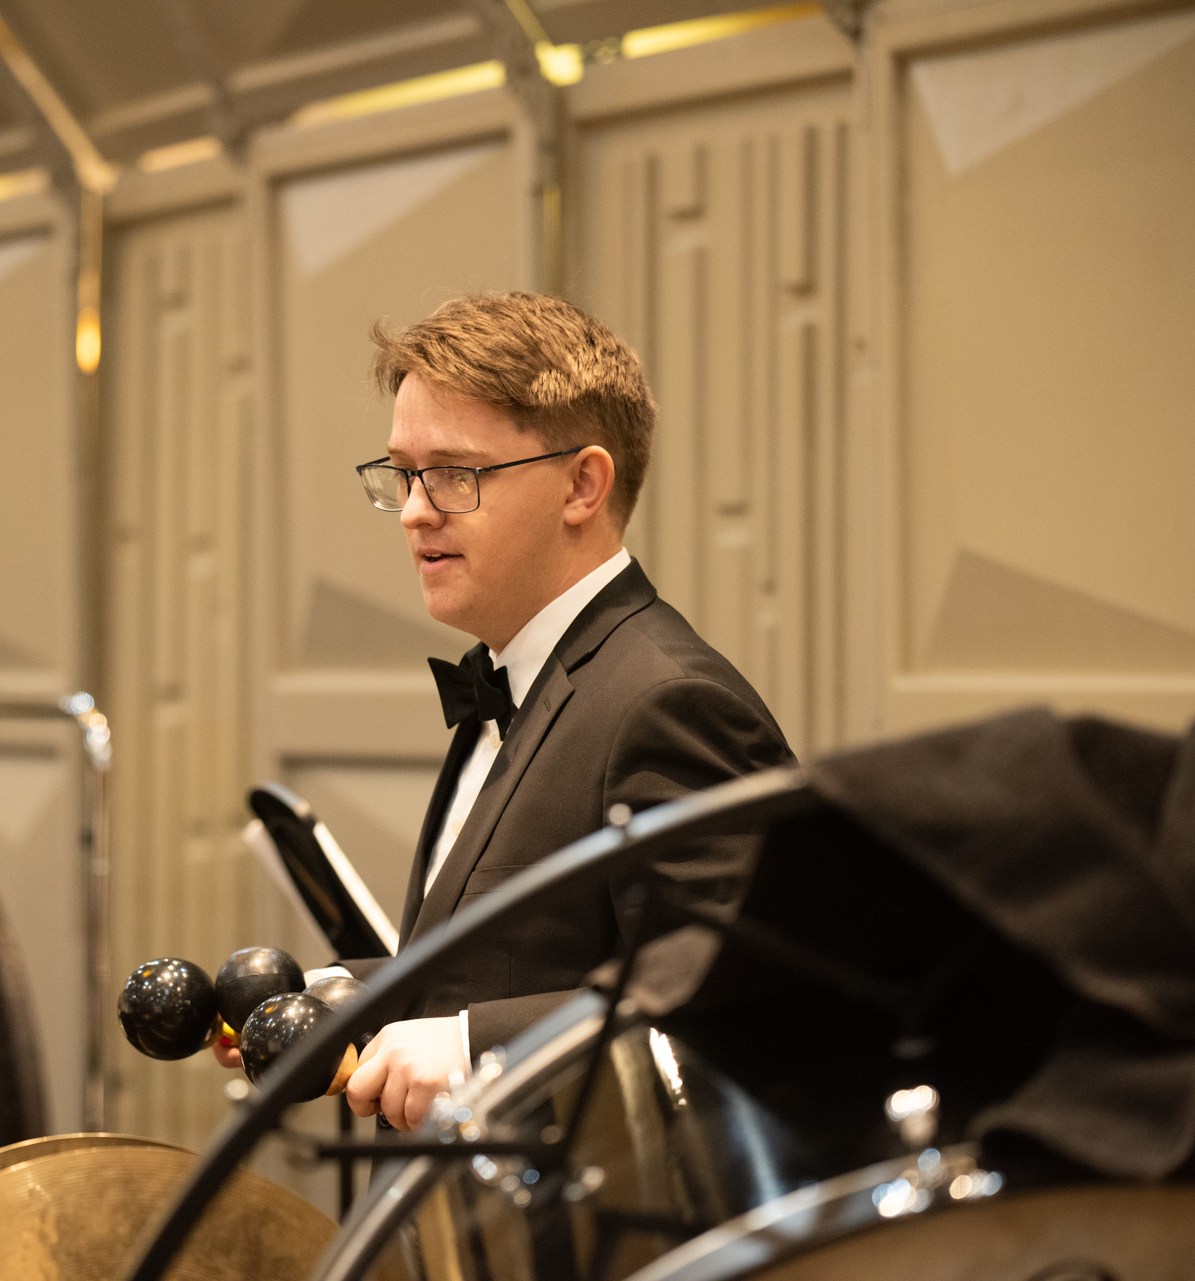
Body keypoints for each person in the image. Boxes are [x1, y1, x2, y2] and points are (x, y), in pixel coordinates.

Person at [224, 293, 795, 1131]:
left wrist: (470, 1046)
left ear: (582, 484)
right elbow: (509, 965)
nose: (416, 509)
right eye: (404, 473)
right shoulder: (512, 674)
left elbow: (740, 1000)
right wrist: (341, 997)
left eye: (456, 474)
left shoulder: (670, 701)